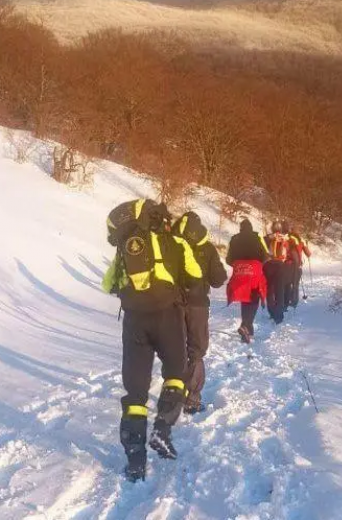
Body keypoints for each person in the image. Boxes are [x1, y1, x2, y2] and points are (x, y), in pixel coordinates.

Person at [101, 199, 204, 482]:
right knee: (175, 374)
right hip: (168, 317)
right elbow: (196, 276)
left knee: (135, 392)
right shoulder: (176, 243)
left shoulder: (125, 248)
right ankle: (162, 429)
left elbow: (107, 284)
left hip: (134, 321)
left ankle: (135, 463)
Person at [172, 211, 227, 415]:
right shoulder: (208, 248)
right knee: (196, 350)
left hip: (173, 304)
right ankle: (192, 399)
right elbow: (218, 279)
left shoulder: (170, 244)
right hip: (197, 305)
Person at [226, 218, 269, 343]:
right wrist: (258, 264)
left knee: (245, 298)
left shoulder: (234, 239)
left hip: (239, 271)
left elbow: (228, 259)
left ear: (240, 228)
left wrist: (238, 264)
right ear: (251, 228)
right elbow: (265, 256)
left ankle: (247, 328)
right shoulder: (257, 238)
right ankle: (246, 326)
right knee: (254, 297)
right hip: (254, 270)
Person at [263, 221, 292, 324]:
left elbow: (262, 249)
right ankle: (278, 316)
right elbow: (288, 253)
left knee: (269, 291)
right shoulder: (285, 238)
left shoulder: (267, 238)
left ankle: (271, 312)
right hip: (280, 265)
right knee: (279, 291)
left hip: (268, 265)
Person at [285, 222, 312, 308]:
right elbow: (308, 254)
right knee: (295, 284)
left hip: (287, 264)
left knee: (287, 283)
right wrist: (306, 245)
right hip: (297, 265)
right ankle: (294, 301)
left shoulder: (287, 238)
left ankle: (287, 299)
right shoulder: (300, 240)